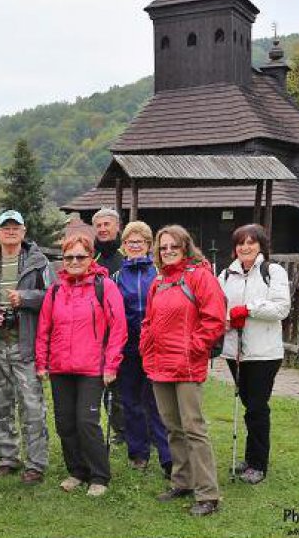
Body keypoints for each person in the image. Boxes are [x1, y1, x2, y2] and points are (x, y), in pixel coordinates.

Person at [141, 225, 225, 517]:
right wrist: (146, 346)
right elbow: (149, 320)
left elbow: (214, 318)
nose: (168, 251)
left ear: (185, 247)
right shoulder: (159, 281)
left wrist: (194, 348)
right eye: (163, 247)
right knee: (172, 427)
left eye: (173, 246)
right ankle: (182, 481)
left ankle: (208, 494)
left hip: (187, 365)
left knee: (193, 428)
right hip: (159, 364)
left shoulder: (200, 276)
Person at [36, 233, 127, 497]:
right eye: (69, 257)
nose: (74, 261)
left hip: (92, 368)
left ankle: (99, 475)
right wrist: (41, 362)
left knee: (86, 422)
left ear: (90, 258)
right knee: (65, 423)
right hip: (60, 368)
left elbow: (118, 328)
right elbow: (44, 329)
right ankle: (77, 471)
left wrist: (111, 365)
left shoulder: (104, 286)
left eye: (80, 256)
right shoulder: (55, 290)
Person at [0, 210, 53, 485]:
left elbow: (54, 295)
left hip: (25, 343)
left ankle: (35, 464)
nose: (10, 232)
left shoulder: (39, 262)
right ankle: (8, 458)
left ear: (24, 232)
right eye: (5, 227)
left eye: (15, 227)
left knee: (32, 406)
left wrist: (26, 298)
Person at [219, 223, 291, 485]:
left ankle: (258, 463)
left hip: (264, 353)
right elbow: (218, 307)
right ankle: (250, 458)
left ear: (261, 245)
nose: (245, 247)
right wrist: (227, 319)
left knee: (257, 407)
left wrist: (248, 309)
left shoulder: (272, 271)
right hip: (235, 352)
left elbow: (281, 308)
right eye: (240, 243)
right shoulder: (226, 275)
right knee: (248, 404)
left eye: (251, 242)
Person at [113, 221, 172, 477]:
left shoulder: (160, 274)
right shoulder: (116, 277)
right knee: (131, 401)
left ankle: (168, 456)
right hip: (128, 348)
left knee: (157, 401)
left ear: (149, 245)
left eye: (140, 241)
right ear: (124, 246)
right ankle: (138, 453)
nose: (135, 245)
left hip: (156, 346)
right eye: (130, 242)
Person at [91, 207, 126, 445]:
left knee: (128, 385)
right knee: (107, 384)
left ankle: (137, 429)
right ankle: (119, 430)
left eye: (107, 224)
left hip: (126, 328)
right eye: (99, 226)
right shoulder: (92, 258)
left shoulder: (127, 255)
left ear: (117, 227)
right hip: (98, 333)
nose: (103, 229)